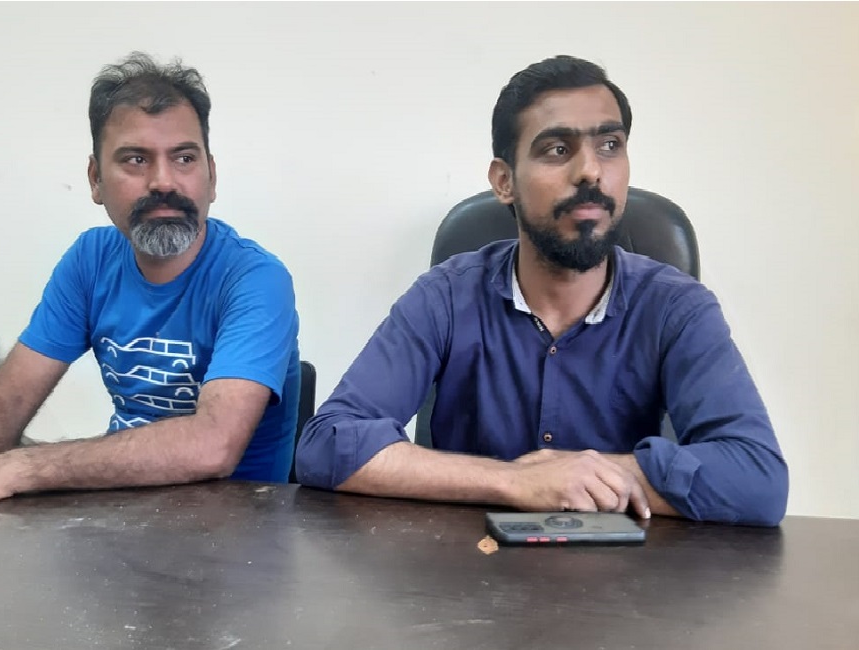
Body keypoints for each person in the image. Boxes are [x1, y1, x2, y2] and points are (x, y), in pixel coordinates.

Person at [295, 55, 788, 526]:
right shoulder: (445, 296)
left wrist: (593, 476)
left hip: (626, 574)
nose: (591, 171)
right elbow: (329, 444)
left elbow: (756, 480)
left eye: (609, 145)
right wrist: (514, 481)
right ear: (504, 181)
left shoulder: (676, 307)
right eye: (557, 149)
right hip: (461, 568)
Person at [0, 52, 300, 548]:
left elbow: (213, 445)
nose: (164, 181)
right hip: (112, 506)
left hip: (225, 532)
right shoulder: (91, 260)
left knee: (3, 474)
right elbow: (10, 396)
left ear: (211, 176)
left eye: (184, 158)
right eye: (135, 159)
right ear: (96, 179)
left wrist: (15, 468)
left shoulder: (254, 278)